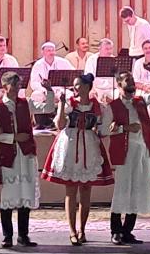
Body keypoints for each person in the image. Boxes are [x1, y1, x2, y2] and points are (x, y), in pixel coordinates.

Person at [41, 73, 114, 245]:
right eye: (74, 85)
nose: (75, 88)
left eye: (78, 85)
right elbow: (59, 125)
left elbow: (103, 131)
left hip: (88, 146)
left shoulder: (98, 107)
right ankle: (72, 230)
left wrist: (108, 120)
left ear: (87, 87)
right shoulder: (69, 104)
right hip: (71, 144)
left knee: (86, 190)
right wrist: (61, 105)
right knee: (71, 190)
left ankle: (82, 229)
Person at [0, 71, 55, 247]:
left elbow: (47, 108)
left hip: (25, 154)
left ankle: (23, 235)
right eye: (14, 84)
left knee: (25, 193)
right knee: (9, 195)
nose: (17, 87)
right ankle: (7, 235)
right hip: (9, 156)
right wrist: (12, 138)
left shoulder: (25, 103)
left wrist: (49, 91)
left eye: (19, 84)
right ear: (4, 86)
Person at [106, 66, 150, 245]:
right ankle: (116, 230)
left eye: (132, 80)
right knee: (122, 190)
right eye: (128, 81)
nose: (131, 84)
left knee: (137, 190)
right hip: (124, 153)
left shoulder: (141, 101)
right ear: (119, 85)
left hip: (142, 151)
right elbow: (103, 130)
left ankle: (128, 231)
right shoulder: (113, 106)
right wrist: (124, 128)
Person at [30, 41, 74, 112]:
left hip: (60, 90)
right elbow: (34, 82)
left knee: (70, 96)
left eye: (53, 50)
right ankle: (41, 117)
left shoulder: (63, 62)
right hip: (44, 91)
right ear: (43, 52)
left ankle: (64, 115)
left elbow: (73, 74)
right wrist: (44, 90)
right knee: (35, 96)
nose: (51, 52)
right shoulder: (38, 64)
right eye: (48, 50)